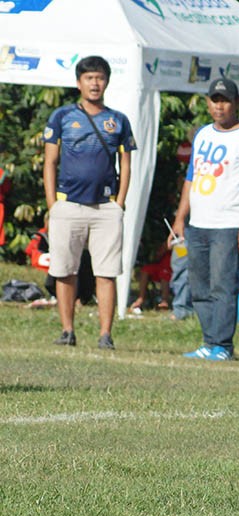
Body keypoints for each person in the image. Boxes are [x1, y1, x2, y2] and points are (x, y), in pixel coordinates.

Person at [43, 55, 136, 350]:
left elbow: (126, 161)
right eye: (89, 78)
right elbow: (50, 162)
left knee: (106, 272)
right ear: (78, 83)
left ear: (107, 81)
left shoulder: (118, 120)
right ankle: (67, 330)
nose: (95, 83)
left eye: (99, 78)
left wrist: (119, 202)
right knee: (64, 269)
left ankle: (105, 334)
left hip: (105, 207)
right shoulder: (61, 117)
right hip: (67, 204)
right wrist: (51, 204)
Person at [171, 78, 239, 361]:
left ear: (237, 103)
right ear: (207, 103)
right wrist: (180, 218)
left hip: (229, 224)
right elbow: (191, 178)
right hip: (199, 223)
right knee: (199, 286)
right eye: (214, 100)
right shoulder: (202, 134)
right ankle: (209, 341)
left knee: (222, 285)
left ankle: (223, 345)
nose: (219, 106)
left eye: (225, 100)